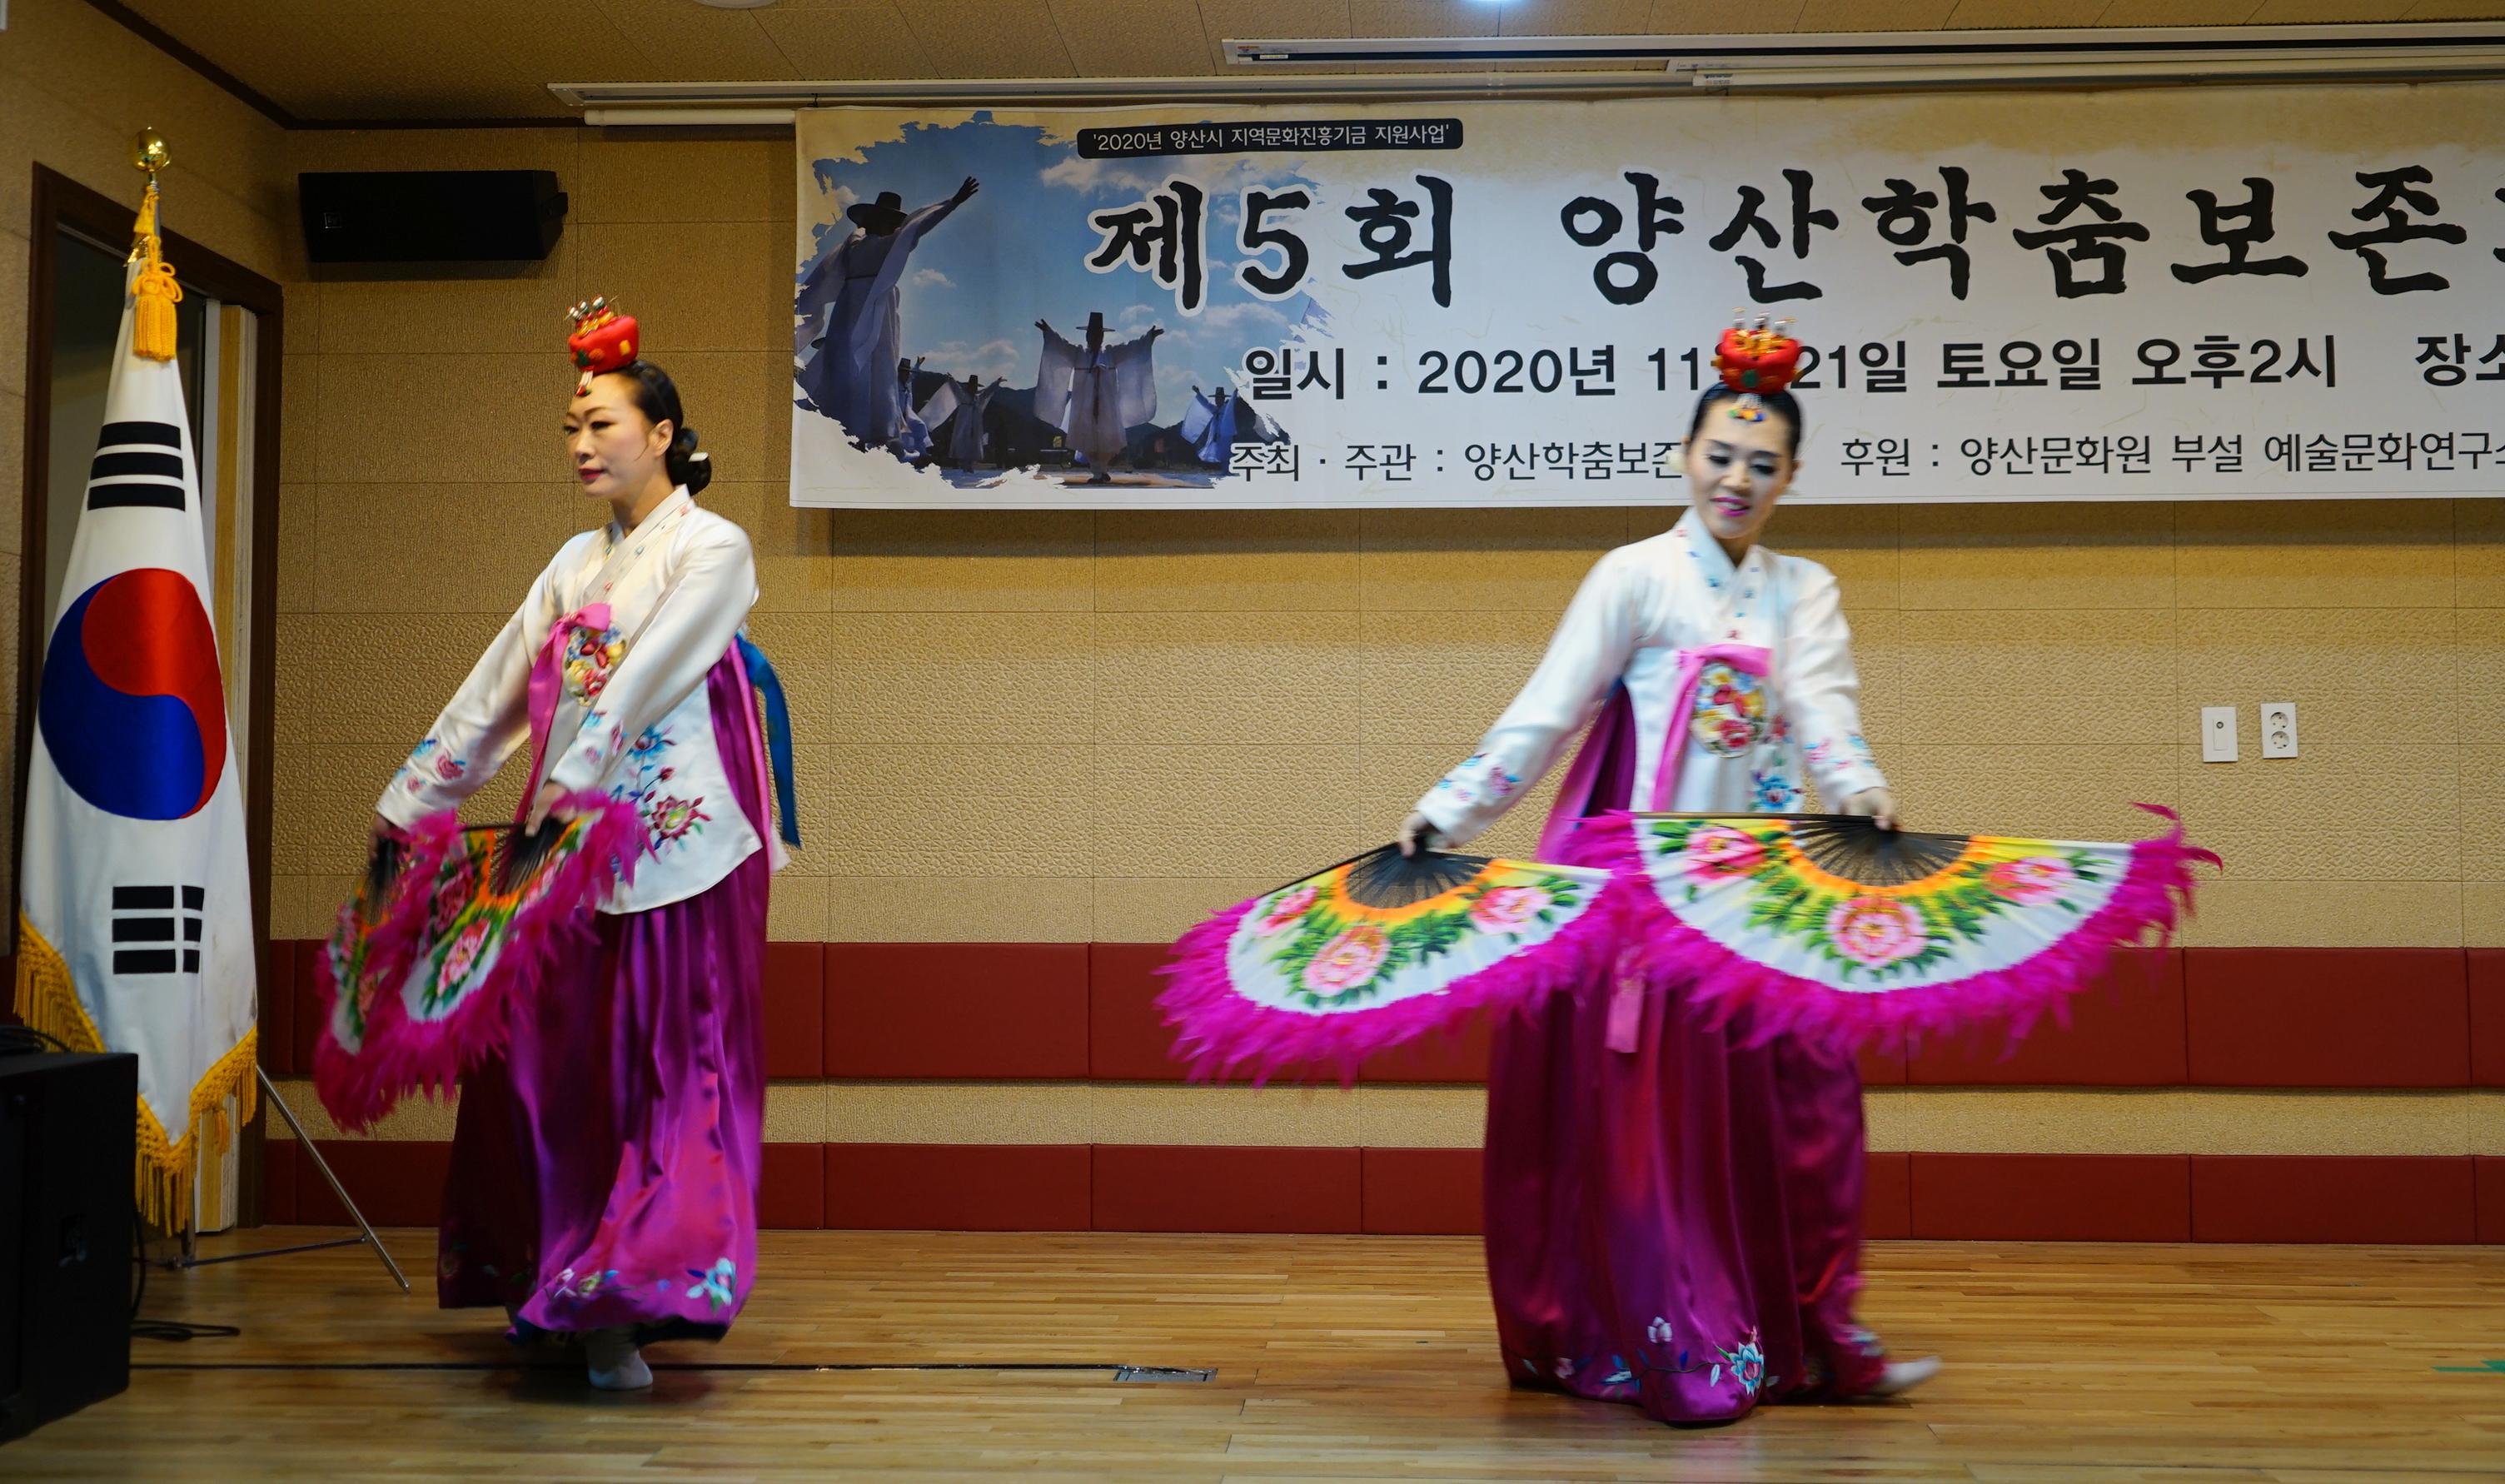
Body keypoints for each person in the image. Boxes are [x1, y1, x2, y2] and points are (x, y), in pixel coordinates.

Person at [1394, 320, 1940, 1424]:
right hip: (1647, 900)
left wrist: (1861, 790)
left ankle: (1810, 1337)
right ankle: (1680, 1343)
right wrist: (1449, 809)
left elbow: (1825, 713)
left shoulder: (1804, 589)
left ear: (1791, 475)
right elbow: (1547, 712)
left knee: (1813, 1115)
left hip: (1765, 890)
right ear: (1684, 456)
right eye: (1719, 456)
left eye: (1761, 464)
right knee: (1655, 1139)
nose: (1737, 479)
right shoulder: (1633, 576)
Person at [371, 306, 779, 1392]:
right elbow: (498, 691)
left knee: (667, 1075)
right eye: (571, 428)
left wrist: (579, 771)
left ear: (664, 433)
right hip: (564, 848)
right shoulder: (571, 563)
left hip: (679, 853)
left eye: (602, 424)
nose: (582, 445)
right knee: (547, 1075)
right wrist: (414, 796)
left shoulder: (712, 546)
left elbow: (653, 670)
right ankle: (561, 1278)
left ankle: (626, 1305)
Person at [794, 177, 978, 448]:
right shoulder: (885, 245)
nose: (895, 228)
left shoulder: (851, 246)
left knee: (850, 363)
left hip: (853, 306)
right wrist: (951, 204)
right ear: (883, 223)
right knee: (873, 364)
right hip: (873, 307)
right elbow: (918, 226)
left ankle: (849, 425)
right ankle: (872, 428)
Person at [1033, 311, 1159, 482]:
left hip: (1107, 405)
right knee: (1087, 440)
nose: (1095, 338)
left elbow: (1132, 348)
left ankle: (1102, 470)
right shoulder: (1078, 353)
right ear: (1087, 336)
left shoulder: (1111, 354)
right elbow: (1061, 345)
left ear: (1102, 337)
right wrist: (1048, 332)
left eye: (1098, 335)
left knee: (1107, 439)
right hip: (1083, 405)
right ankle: (1098, 473)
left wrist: (1148, 337)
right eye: (1092, 335)